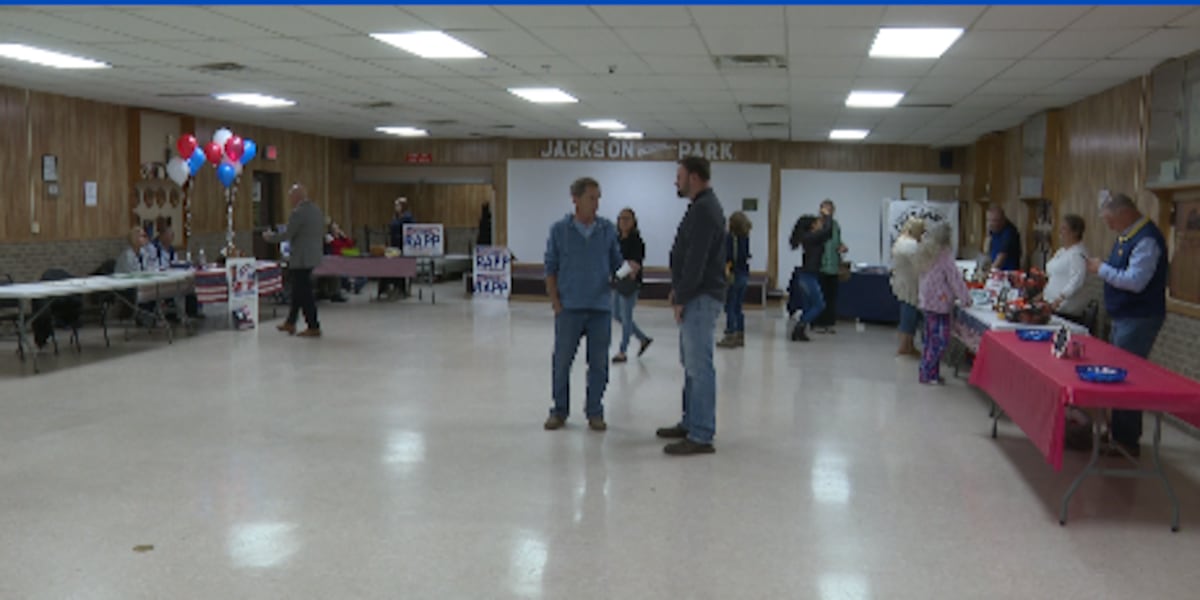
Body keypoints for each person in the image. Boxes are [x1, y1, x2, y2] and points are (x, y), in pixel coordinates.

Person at [543, 177, 633, 432]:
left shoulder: (606, 230)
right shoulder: (559, 231)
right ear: (576, 199)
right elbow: (551, 268)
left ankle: (595, 411)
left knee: (599, 364)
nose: (596, 203)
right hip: (569, 308)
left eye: (598, 198)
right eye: (591, 197)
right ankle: (559, 410)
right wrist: (556, 304)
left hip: (599, 308)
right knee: (562, 362)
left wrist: (629, 270)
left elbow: (618, 264)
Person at [1086, 193, 1169, 458]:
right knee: (1117, 374)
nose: (1109, 226)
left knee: (1126, 378)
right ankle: (1117, 432)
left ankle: (1126, 440)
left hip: (1139, 318)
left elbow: (1135, 281)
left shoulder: (1146, 239)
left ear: (1124, 213)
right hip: (1124, 317)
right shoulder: (1127, 235)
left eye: (1110, 220)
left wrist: (1101, 269)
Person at [656, 156, 726, 456]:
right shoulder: (702, 207)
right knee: (691, 365)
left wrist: (682, 296)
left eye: (680, 176)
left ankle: (701, 434)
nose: (676, 181)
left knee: (699, 366)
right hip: (694, 294)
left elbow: (696, 259)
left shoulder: (704, 210)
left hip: (699, 296)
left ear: (694, 177)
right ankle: (691, 421)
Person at [264, 183, 324, 338]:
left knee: (304, 293)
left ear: (296, 196)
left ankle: (313, 326)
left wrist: (270, 238)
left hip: (301, 258)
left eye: (291, 196)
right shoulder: (316, 210)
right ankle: (290, 322)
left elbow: (288, 234)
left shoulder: (298, 213)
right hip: (313, 256)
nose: (290, 200)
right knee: (298, 291)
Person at [918, 223, 971, 385]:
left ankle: (930, 372)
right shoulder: (945, 256)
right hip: (940, 305)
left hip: (927, 303)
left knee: (929, 339)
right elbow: (955, 280)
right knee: (941, 340)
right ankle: (927, 372)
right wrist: (965, 298)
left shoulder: (927, 254)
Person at [786, 205, 835, 342]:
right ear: (812, 226)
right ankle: (799, 327)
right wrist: (827, 215)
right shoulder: (811, 237)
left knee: (809, 306)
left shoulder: (810, 237)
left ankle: (800, 332)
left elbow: (827, 233)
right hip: (808, 276)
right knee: (819, 305)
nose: (820, 224)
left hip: (807, 275)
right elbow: (827, 231)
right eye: (818, 223)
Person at [611, 207, 652, 363]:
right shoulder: (617, 239)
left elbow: (635, 263)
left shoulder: (637, 241)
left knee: (626, 317)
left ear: (633, 221)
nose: (623, 221)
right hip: (617, 282)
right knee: (616, 314)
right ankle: (643, 338)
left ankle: (623, 351)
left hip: (630, 283)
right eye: (621, 218)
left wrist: (621, 269)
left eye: (627, 218)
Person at [1042, 214, 1089, 321]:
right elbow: (1053, 275)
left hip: (1065, 310)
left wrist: (1060, 299)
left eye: (1064, 229)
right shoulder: (1062, 251)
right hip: (1050, 304)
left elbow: (1077, 280)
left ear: (1075, 232)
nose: (1060, 232)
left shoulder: (1078, 253)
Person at [890, 217, 926, 357]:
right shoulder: (911, 245)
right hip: (910, 283)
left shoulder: (900, 241)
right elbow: (922, 263)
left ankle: (908, 345)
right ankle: (905, 346)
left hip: (901, 280)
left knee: (906, 312)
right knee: (909, 315)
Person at [717, 211, 752, 349]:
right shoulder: (745, 237)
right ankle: (740, 334)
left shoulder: (730, 238)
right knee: (738, 306)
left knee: (729, 306)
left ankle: (730, 333)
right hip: (744, 274)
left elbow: (729, 256)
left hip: (733, 274)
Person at [814, 199, 848, 334]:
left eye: (831, 210)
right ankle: (817, 322)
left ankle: (828, 323)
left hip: (833, 266)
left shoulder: (835, 225)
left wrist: (842, 247)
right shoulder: (817, 224)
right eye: (826, 209)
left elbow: (837, 241)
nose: (829, 212)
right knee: (819, 296)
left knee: (831, 296)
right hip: (820, 266)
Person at [382, 197, 415, 299]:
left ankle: (400, 289)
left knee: (399, 268)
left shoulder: (407, 217)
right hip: (394, 245)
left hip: (402, 246)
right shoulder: (397, 217)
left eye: (398, 205)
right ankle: (391, 287)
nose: (396, 207)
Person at [987, 206, 1022, 271]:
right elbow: (988, 249)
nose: (991, 224)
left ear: (1003, 220)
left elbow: (1002, 256)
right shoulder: (993, 229)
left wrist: (989, 272)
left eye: (995, 221)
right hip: (996, 270)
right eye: (989, 220)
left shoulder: (1009, 233)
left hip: (1008, 272)